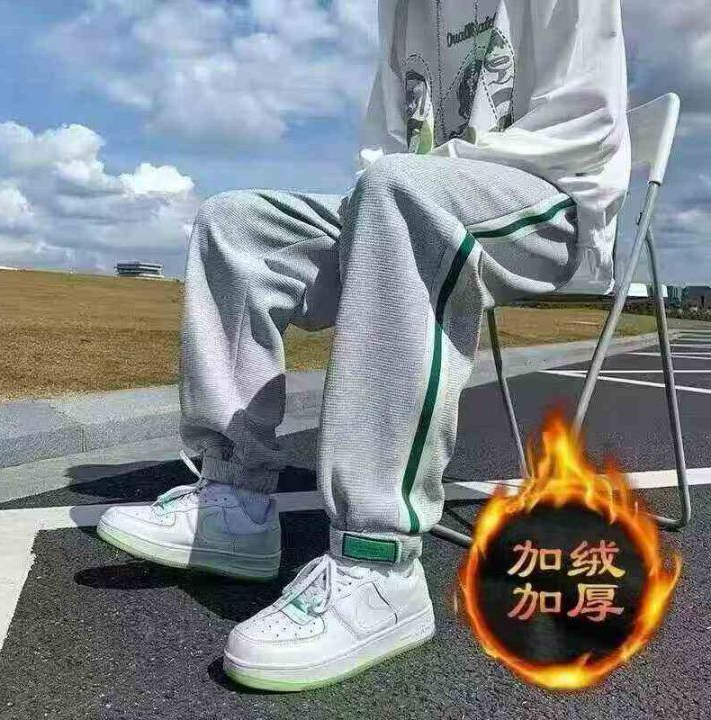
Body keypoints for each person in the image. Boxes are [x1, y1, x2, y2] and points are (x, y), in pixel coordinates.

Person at [97, 0, 630, 692]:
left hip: (554, 201)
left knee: (401, 192)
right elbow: (385, 149)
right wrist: (391, 191)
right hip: (415, 193)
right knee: (236, 223)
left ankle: (380, 568)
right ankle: (235, 494)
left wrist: (415, 179)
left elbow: (583, 124)